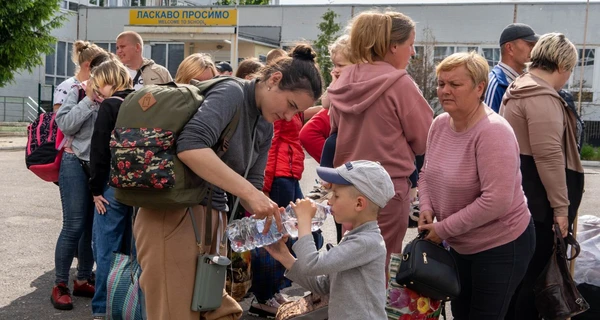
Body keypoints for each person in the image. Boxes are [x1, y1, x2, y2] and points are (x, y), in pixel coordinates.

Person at [133, 44, 323, 320]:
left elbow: (252, 186)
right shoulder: (231, 92)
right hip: (173, 215)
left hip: (212, 220)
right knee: (174, 311)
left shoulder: (264, 125)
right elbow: (190, 146)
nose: (289, 117)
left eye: (297, 113)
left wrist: (270, 220)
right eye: (291, 105)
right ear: (274, 80)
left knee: (211, 308)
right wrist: (251, 194)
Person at [417, 51, 535, 319]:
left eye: (454, 84)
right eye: (441, 83)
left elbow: (496, 200)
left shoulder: (493, 131)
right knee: (461, 313)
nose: (445, 90)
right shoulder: (439, 124)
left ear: (480, 87)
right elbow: (425, 173)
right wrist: (426, 206)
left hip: (501, 245)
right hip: (459, 243)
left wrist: (444, 228)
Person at [328, 10, 433, 267]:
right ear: (393, 46)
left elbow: (334, 130)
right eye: (410, 45)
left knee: (350, 264)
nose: (412, 52)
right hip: (387, 189)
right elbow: (425, 140)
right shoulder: (400, 85)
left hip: (349, 186)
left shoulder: (344, 79)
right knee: (380, 270)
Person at [500, 33, 584, 320]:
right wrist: (561, 210)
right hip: (538, 206)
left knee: (517, 282)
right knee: (531, 283)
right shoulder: (540, 96)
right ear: (562, 65)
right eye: (570, 71)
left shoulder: (517, 88)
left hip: (520, 199)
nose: (568, 79)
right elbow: (548, 158)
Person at [265, 160, 394, 320]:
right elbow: (323, 286)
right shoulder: (354, 237)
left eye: (336, 195)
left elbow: (311, 264)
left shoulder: (367, 242)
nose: (329, 201)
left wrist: (304, 221)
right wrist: (284, 255)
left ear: (359, 203)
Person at [249, 48, 323, 318]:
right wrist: (262, 187)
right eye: (292, 107)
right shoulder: (274, 109)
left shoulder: (291, 106)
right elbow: (269, 146)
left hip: (289, 173)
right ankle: (265, 294)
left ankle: (280, 287)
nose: (292, 115)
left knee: (299, 231)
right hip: (277, 174)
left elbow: (307, 114)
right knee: (271, 235)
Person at [51, 41, 107, 310]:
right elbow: (65, 123)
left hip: (97, 166)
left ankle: (83, 278)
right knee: (73, 225)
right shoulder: (77, 91)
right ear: (94, 73)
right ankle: (60, 283)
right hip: (74, 161)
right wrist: (89, 100)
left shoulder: (114, 95)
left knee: (90, 227)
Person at [87, 59, 135, 320]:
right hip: (142, 188)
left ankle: (102, 309)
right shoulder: (142, 100)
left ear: (108, 80)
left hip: (112, 187)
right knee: (132, 250)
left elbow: (99, 150)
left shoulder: (111, 105)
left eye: (98, 86)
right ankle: (129, 306)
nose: (97, 92)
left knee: (107, 250)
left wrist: (96, 190)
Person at [484, 23, 539, 113]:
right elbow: (488, 125)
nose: (534, 49)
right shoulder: (495, 85)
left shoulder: (522, 81)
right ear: (510, 48)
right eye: (530, 44)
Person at [52, 41, 107, 112]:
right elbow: (58, 119)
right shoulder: (65, 87)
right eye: (100, 65)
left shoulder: (99, 87)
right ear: (88, 65)